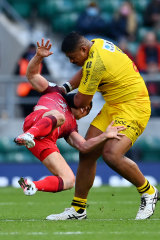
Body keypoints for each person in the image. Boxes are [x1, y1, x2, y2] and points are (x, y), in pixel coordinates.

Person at [45, 32, 160, 221]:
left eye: (72, 57)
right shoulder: (95, 44)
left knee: (111, 154)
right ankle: (78, 209)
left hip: (133, 106)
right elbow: (85, 71)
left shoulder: (96, 62)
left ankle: (148, 191)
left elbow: (81, 101)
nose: (72, 61)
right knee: (88, 151)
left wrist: (57, 99)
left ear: (83, 49)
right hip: (114, 104)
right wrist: (64, 88)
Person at [14, 38, 125, 197]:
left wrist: (105, 136)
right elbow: (32, 75)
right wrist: (38, 57)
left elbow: (84, 146)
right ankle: (29, 134)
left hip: (42, 142)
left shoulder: (71, 127)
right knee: (59, 117)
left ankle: (31, 185)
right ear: (83, 108)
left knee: (69, 180)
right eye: (86, 109)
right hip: (35, 122)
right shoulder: (55, 91)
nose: (84, 112)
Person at [14, 43, 50, 117]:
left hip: (37, 91)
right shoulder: (22, 61)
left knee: (37, 115)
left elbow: (47, 75)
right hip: (24, 92)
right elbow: (15, 74)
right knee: (25, 116)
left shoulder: (41, 61)